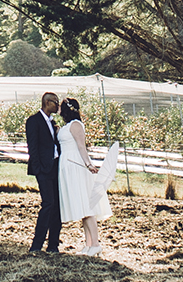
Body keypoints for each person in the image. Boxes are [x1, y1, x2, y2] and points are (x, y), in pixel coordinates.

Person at [57, 97, 117, 257]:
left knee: (87, 207)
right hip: (67, 165)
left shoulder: (76, 125)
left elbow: (81, 147)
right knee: (82, 207)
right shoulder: (67, 126)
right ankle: (88, 244)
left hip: (77, 165)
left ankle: (95, 244)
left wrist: (88, 165)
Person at [24, 92, 63, 255]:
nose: (57, 105)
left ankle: (53, 245)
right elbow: (32, 147)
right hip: (43, 170)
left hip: (56, 168)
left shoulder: (52, 123)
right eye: (55, 102)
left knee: (57, 207)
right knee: (48, 204)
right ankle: (36, 245)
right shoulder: (34, 121)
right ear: (47, 102)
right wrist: (38, 169)